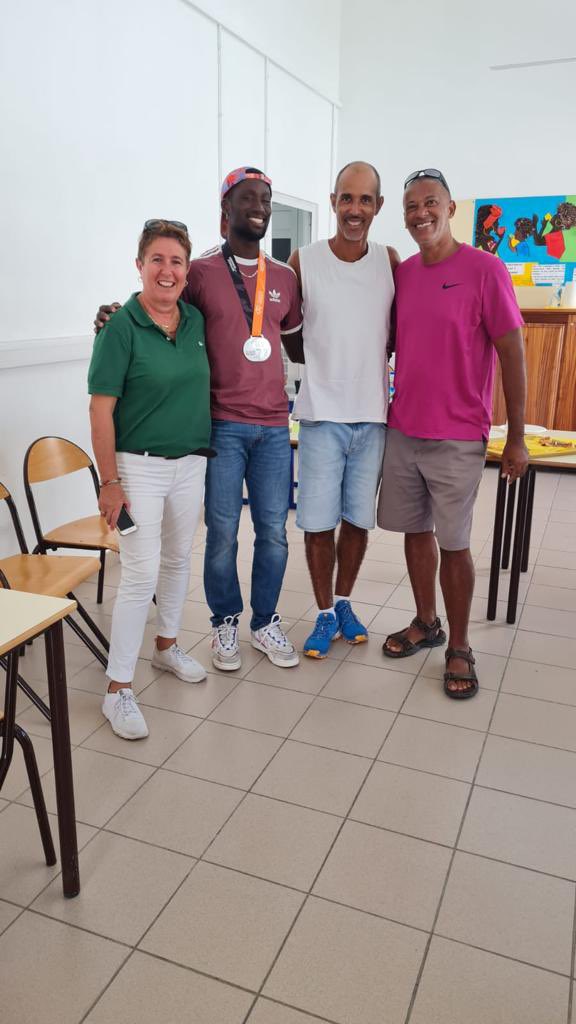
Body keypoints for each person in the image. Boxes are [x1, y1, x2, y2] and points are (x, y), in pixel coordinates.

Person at [96, 168, 303, 672]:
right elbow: (159, 307)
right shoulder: (204, 272)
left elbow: (295, 342)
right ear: (225, 210)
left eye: (265, 199)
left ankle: (265, 622)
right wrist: (112, 314)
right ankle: (224, 623)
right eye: (246, 198)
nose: (258, 206)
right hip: (221, 426)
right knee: (223, 532)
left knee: (274, 532)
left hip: (275, 426)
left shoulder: (285, 277)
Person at [378, 168, 528, 698]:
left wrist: (516, 436)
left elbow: (512, 352)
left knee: (455, 542)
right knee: (415, 532)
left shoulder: (485, 269)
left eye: (430, 203)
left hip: (459, 435)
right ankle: (427, 621)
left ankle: (460, 645)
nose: (421, 213)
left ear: (450, 208)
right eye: (411, 206)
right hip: (404, 429)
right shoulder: (404, 274)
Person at [89, 219, 211, 739]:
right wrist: (109, 482)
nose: (167, 270)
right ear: (140, 265)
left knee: (179, 559)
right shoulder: (120, 328)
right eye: (157, 259)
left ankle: (166, 646)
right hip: (136, 466)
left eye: (176, 261)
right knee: (140, 573)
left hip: (191, 462)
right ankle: (117, 689)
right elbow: (100, 411)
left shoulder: (195, 320)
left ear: (187, 269)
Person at [284, 162, 398, 658]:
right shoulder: (302, 261)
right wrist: (325, 367)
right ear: (333, 202)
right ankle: (324, 611)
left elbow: (396, 334)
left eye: (365, 199)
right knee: (317, 523)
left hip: (372, 417)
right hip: (321, 416)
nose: (355, 209)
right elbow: (288, 334)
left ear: (377, 206)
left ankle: (345, 601)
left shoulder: (389, 261)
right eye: (347, 198)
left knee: (356, 521)